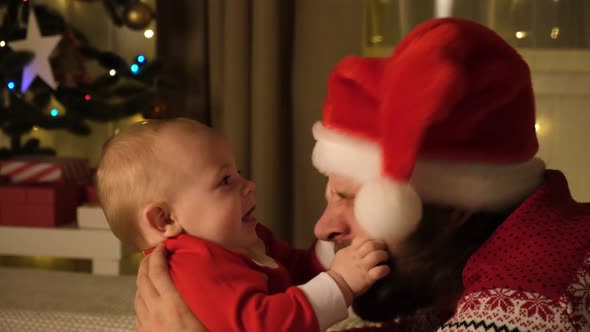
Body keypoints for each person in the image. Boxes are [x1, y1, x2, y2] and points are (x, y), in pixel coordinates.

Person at [134, 18, 590, 332]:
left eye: (349, 198)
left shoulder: (529, 301)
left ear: (456, 209)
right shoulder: (505, 236)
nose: (323, 228)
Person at [96, 118, 391, 332]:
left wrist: (334, 253)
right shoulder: (193, 263)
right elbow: (261, 325)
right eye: (225, 181)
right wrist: (340, 283)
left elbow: (296, 271)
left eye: (238, 173)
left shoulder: (246, 238)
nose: (248, 185)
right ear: (166, 219)